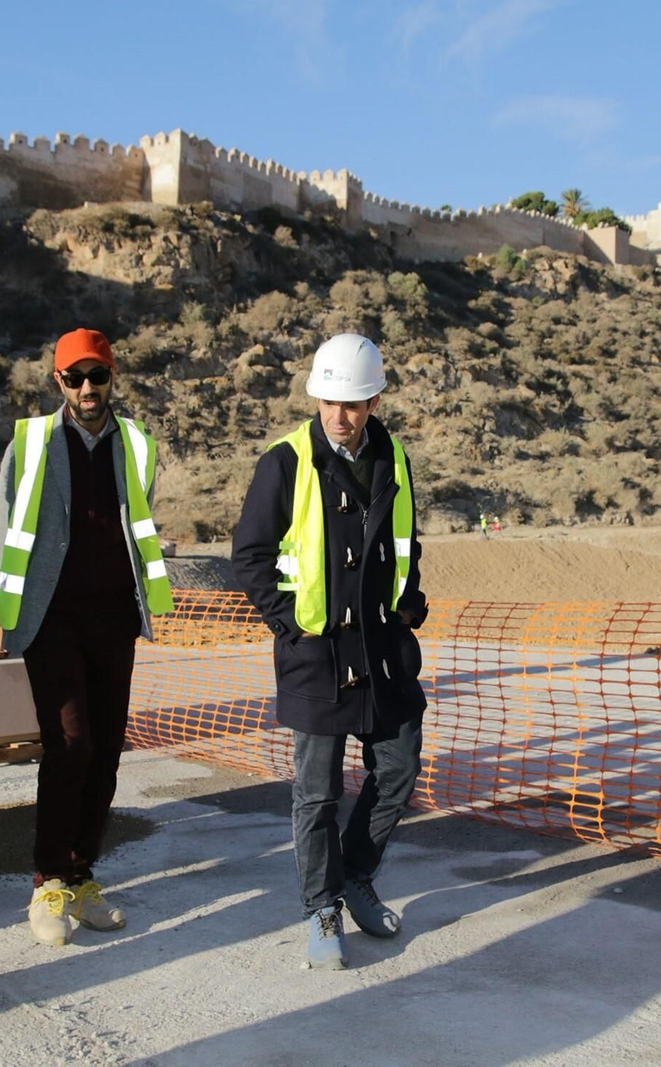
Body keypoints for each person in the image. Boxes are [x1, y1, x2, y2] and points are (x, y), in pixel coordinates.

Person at [232, 333, 428, 970]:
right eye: (330, 402)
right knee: (315, 794)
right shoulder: (284, 462)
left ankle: (356, 878)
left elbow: (407, 547)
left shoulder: (394, 458)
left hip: (383, 653)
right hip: (317, 655)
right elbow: (252, 556)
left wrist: (409, 603)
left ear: (374, 400)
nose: (340, 416)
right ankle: (322, 907)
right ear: (315, 395)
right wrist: (290, 624)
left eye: (354, 403)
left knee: (397, 772)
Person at [0, 327, 175, 947]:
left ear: (112, 377)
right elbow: (3, 530)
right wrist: (27, 605)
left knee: (104, 749)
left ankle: (81, 874)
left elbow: (139, 523)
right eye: (75, 378)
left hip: (113, 619)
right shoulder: (31, 442)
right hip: (52, 619)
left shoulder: (138, 445)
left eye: (97, 375)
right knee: (68, 743)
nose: (88, 388)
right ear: (58, 382)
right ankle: (47, 881)